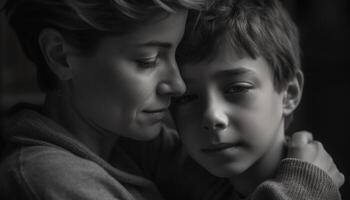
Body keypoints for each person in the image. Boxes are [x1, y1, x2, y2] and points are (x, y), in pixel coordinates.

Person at [0, 0, 343, 200]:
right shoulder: (46, 179)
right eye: (148, 61)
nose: (177, 85)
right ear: (60, 56)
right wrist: (301, 188)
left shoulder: (128, 146)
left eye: (175, 57)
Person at [171, 0, 345, 199]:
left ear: (290, 93)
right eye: (187, 97)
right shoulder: (176, 176)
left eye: (237, 88)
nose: (212, 115)